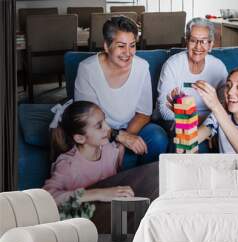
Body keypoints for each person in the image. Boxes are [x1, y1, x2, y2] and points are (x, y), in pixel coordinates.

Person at [74, 16, 168, 169]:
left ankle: (146, 184)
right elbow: (87, 121)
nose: (128, 53)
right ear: (106, 46)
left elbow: (143, 114)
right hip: (99, 131)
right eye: (121, 46)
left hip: (133, 127)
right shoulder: (87, 70)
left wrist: (126, 141)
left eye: (132, 45)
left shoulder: (142, 67)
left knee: (157, 137)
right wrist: (120, 137)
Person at [156, 17, 228, 150]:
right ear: (186, 42)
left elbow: (225, 107)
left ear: (211, 45)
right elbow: (163, 109)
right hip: (177, 121)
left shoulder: (218, 67)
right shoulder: (172, 65)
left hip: (208, 123)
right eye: (193, 40)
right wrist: (192, 121)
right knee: (182, 135)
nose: (198, 47)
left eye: (204, 41)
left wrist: (206, 125)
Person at [43, 101, 134, 205]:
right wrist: (98, 194)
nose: (108, 128)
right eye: (99, 126)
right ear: (80, 138)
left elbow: (118, 155)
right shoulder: (68, 165)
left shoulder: (109, 149)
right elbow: (47, 198)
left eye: (105, 120)